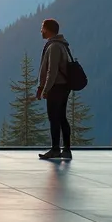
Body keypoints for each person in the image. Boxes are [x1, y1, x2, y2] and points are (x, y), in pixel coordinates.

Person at [35, 18, 73, 161]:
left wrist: (45, 89)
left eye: (42, 28)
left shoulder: (54, 46)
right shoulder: (61, 44)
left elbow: (52, 71)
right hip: (63, 87)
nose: (41, 31)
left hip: (56, 87)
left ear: (48, 29)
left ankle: (55, 149)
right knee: (62, 117)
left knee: (54, 118)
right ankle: (66, 150)